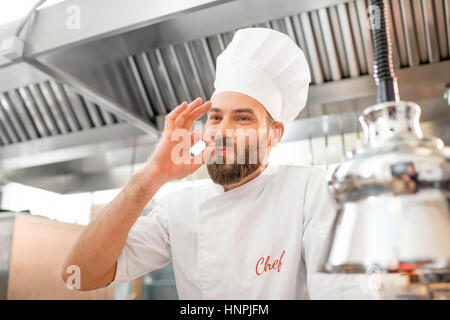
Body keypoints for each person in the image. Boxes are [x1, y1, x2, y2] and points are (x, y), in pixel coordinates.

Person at [61, 28, 379, 299]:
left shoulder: (313, 192)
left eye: (242, 118)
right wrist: (151, 176)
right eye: (215, 117)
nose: (222, 131)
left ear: (274, 134)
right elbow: (79, 276)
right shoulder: (179, 209)